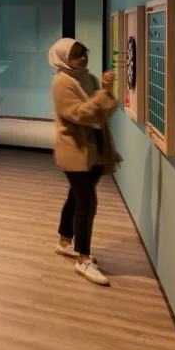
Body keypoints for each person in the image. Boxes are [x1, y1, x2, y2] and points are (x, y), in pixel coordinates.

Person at [49, 38, 122, 287]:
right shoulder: (62, 83)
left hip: (95, 148)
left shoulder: (87, 78)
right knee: (86, 204)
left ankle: (63, 242)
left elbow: (103, 111)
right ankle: (83, 258)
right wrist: (103, 93)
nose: (81, 58)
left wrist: (103, 93)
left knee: (76, 198)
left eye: (83, 53)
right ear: (62, 59)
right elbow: (80, 114)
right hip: (75, 150)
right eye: (75, 55)